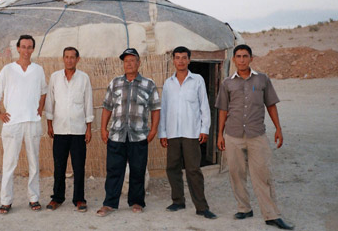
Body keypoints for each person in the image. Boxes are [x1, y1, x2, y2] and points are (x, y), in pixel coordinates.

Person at [215, 44, 294, 230]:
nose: (241, 60)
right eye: (238, 56)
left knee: (262, 175)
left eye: (245, 56)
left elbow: (271, 105)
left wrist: (278, 129)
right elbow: (223, 110)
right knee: (236, 173)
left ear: (251, 58)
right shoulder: (227, 83)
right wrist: (220, 134)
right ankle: (244, 208)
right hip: (233, 135)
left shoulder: (262, 80)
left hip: (256, 134)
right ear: (233, 60)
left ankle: (271, 214)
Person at [96, 48, 161, 217]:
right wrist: (103, 128)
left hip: (138, 135)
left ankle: (137, 202)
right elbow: (107, 107)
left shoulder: (149, 84)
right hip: (117, 135)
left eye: (132, 60)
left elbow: (155, 108)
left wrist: (153, 130)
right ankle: (109, 204)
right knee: (114, 170)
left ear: (139, 63)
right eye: (126, 61)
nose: (129, 64)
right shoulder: (115, 83)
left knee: (138, 170)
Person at [0, 35, 47, 215]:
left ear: (33, 49)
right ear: (18, 48)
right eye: (23, 47)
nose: (26, 50)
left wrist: (40, 108)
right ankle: (6, 201)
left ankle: (34, 198)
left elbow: (44, 92)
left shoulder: (38, 70)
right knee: (9, 163)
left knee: (34, 163)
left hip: (32, 122)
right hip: (12, 123)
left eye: (30, 47)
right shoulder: (8, 70)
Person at [158, 46, 217, 219]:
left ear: (189, 60)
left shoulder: (197, 80)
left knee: (193, 170)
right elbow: (164, 109)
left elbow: (204, 106)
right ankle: (178, 201)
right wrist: (163, 132)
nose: (181, 61)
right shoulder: (169, 83)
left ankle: (201, 207)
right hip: (173, 133)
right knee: (172, 167)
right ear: (173, 60)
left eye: (184, 57)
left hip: (191, 132)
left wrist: (204, 129)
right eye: (177, 58)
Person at [44, 46, 94, 212]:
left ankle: (79, 199)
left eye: (73, 57)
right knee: (59, 166)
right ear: (63, 58)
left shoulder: (84, 78)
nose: (69, 60)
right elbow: (50, 102)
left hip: (79, 130)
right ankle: (57, 198)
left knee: (79, 167)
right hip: (59, 130)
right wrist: (49, 124)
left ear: (78, 59)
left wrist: (88, 128)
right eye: (66, 57)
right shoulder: (55, 77)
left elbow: (88, 103)